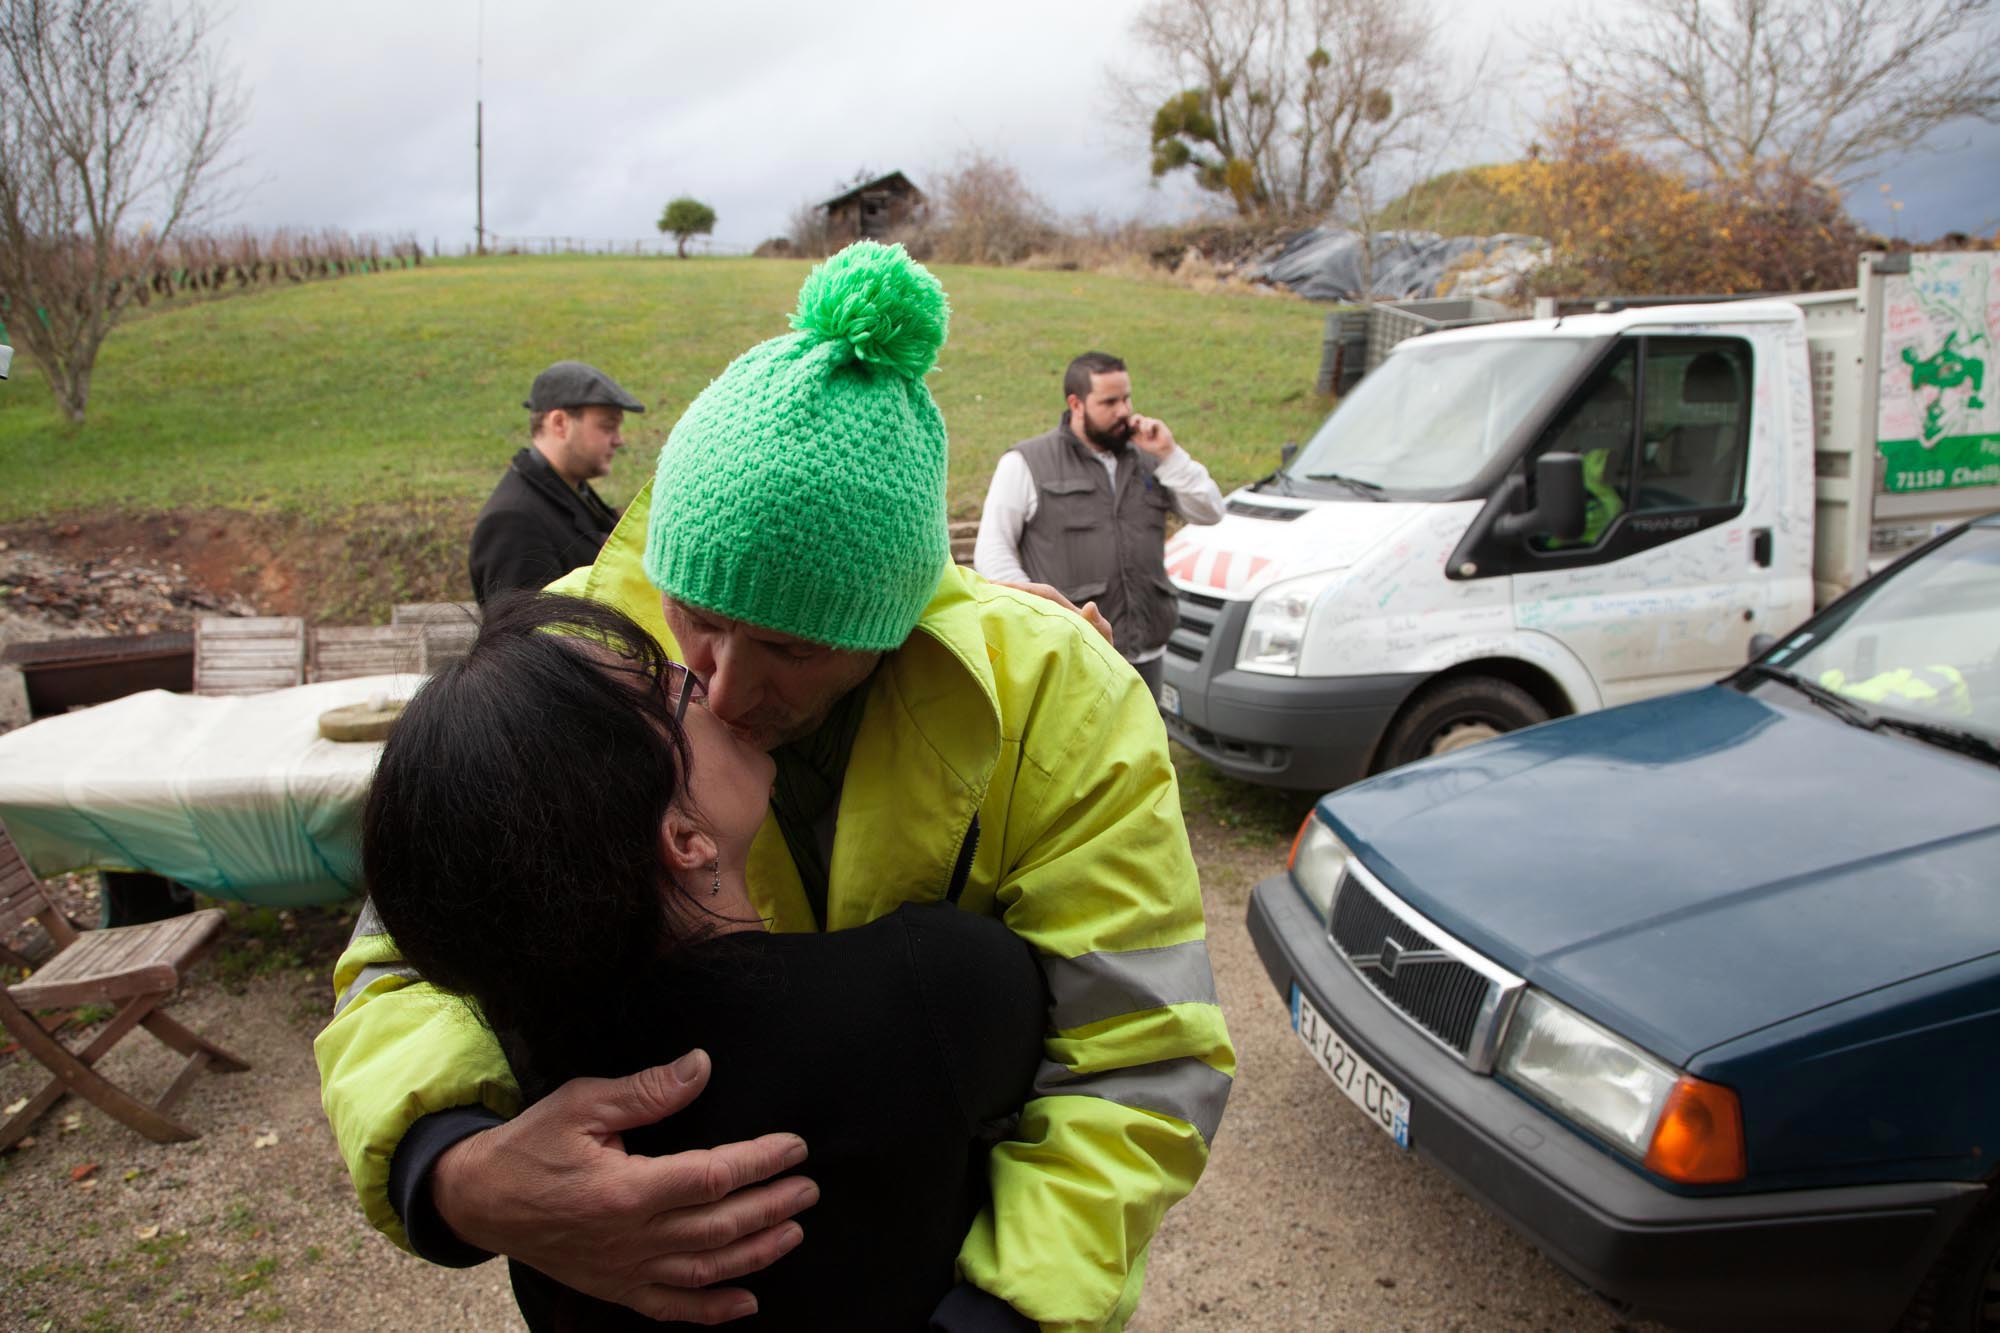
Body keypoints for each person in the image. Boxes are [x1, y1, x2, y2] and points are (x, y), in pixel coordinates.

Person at [317, 241, 1234, 1330]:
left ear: (890, 621)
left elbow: (1140, 1050)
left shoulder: (1052, 690)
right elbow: (403, 949)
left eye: (794, 649)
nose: (723, 687)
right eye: (697, 619)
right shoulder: (563, 659)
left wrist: (1006, 1315)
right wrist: (456, 1171)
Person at [361, 589, 1047, 1330]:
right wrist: (1013, 651)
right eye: (665, 689)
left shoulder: (514, 1109)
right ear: (685, 838)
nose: (711, 689)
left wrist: (449, 1176)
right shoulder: (936, 988)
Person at [973, 351, 1224, 699]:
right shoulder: (1026, 462)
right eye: (1109, 402)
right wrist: (1045, 620)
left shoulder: (1151, 459)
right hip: (1074, 654)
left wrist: (1170, 453)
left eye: (1126, 398)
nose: (1124, 411)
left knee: (1145, 752)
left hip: (1147, 655)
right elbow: (992, 551)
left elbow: (1210, 511)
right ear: (1076, 404)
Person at [468, 360, 645, 607]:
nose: (619, 440)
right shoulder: (513, 520)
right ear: (560, 423)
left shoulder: (572, 491)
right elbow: (524, 639)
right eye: (608, 426)